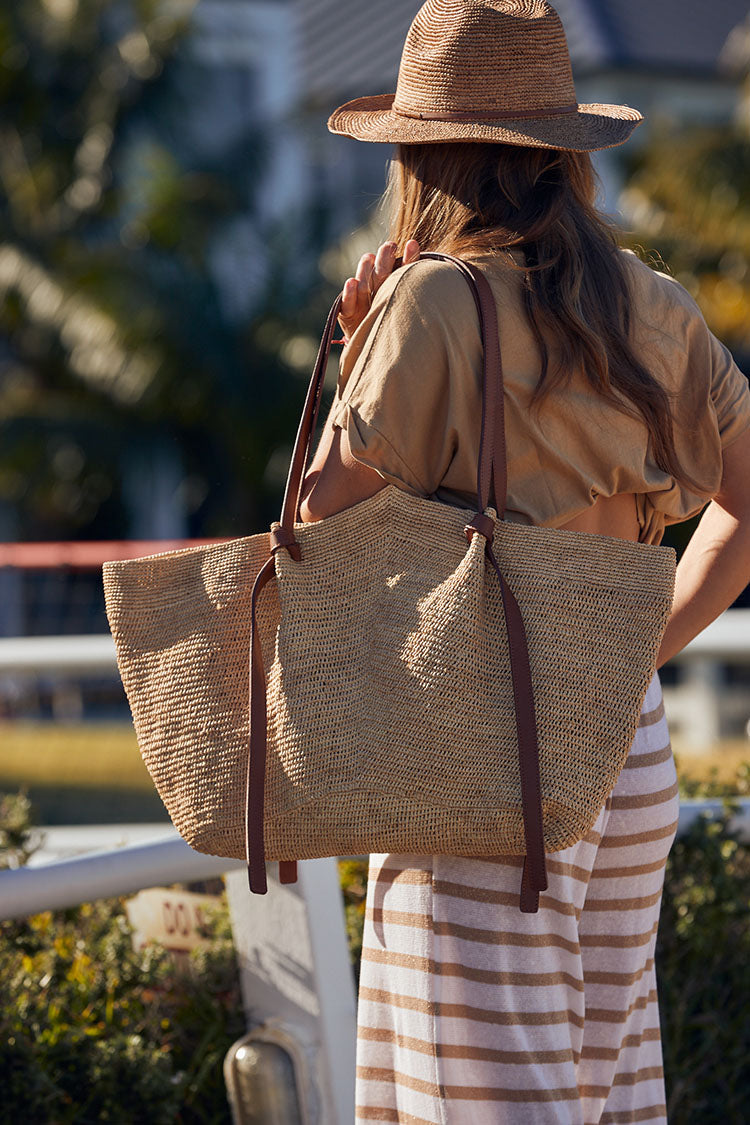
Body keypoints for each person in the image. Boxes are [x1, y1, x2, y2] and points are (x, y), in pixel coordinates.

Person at [299, 2, 750, 1122]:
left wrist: (359, 353)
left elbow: (312, 526)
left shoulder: (431, 300)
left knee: (487, 1096)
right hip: (626, 741)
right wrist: (640, 644)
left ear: (424, 156)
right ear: (560, 153)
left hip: (483, 744)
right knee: (599, 1084)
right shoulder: (650, 303)